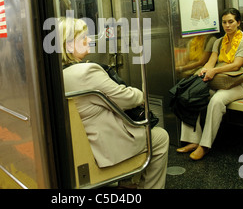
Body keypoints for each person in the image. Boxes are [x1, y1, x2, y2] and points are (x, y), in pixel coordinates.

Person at [59, 16, 169, 189]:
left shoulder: (57, 74)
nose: (89, 40)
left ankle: (126, 183)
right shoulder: (86, 71)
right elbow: (127, 99)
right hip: (103, 147)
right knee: (160, 137)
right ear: (69, 45)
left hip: (81, 145)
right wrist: (139, 93)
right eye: (83, 38)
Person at [177, 8, 243, 160]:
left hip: (237, 84)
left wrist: (214, 71)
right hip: (219, 82)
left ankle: (204, 145)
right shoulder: (219, 42)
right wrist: (205, 70)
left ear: (238, 22)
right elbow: (211, 62)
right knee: (192, 94)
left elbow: (236, 65)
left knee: (217, 100)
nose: (227, 25)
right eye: (224, 22)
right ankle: (192, 140)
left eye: (231, 22)